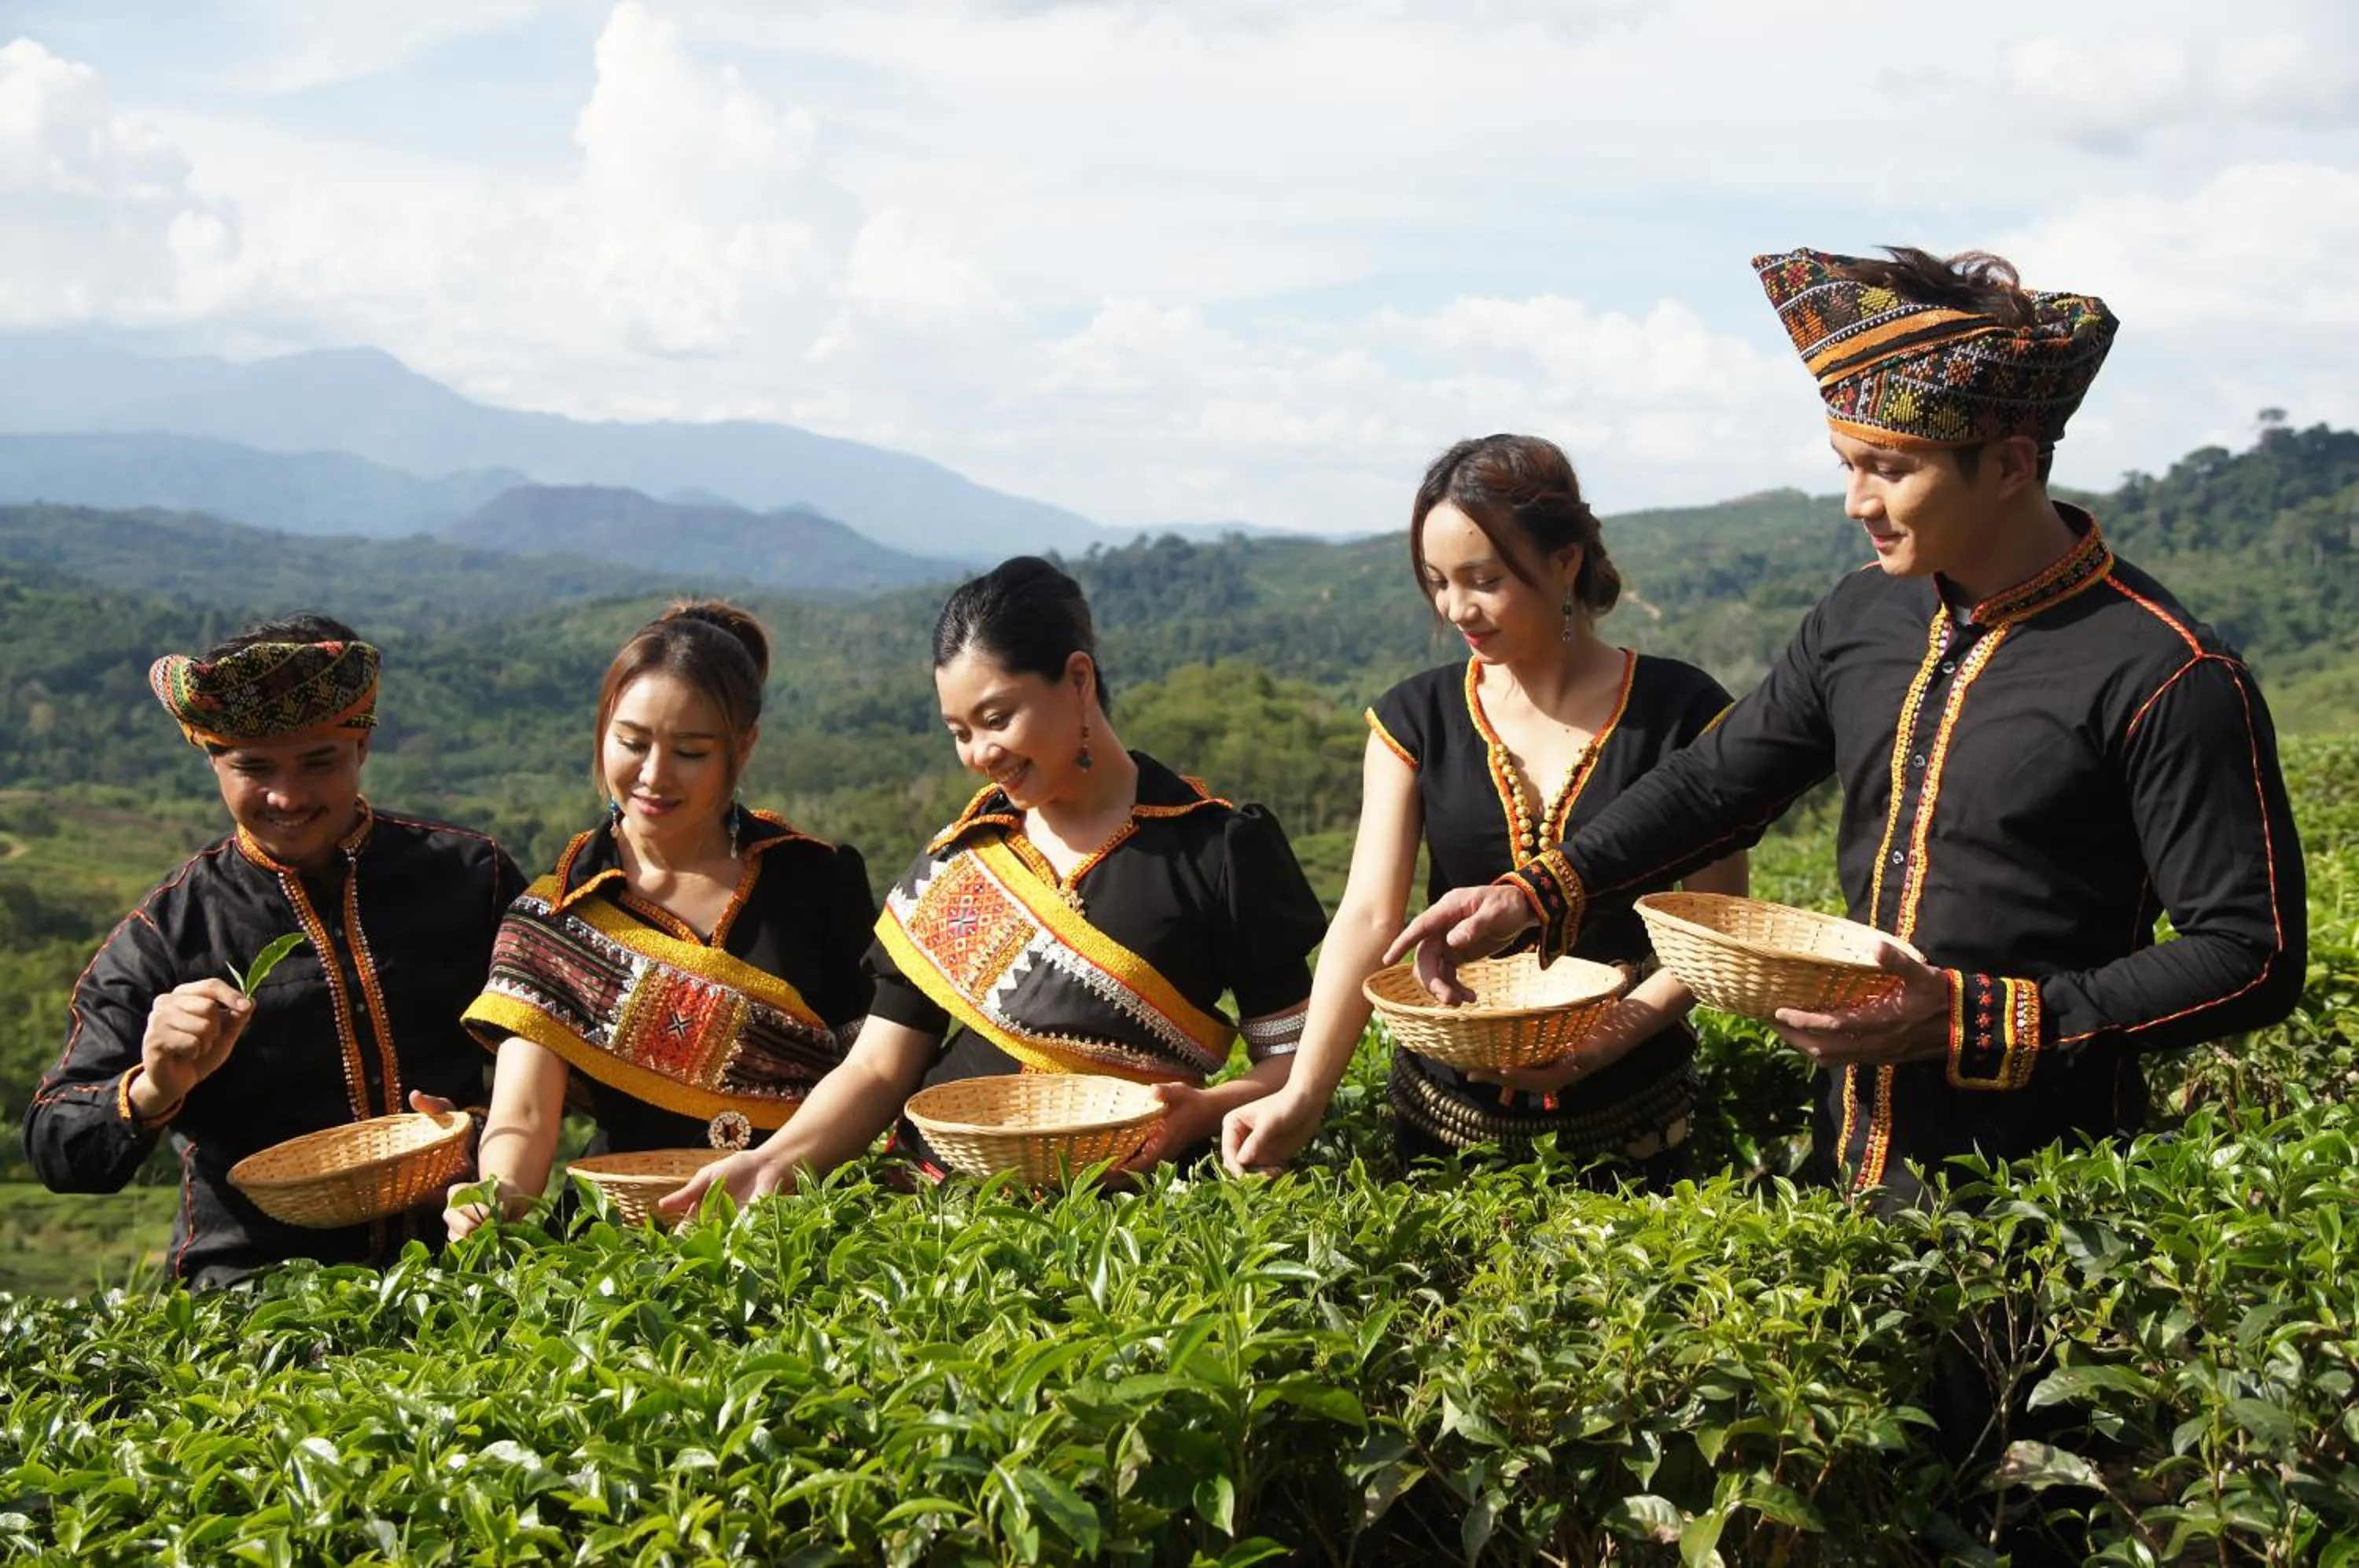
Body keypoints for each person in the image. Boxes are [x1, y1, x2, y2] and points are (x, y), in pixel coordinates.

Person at [1385, 247, 2307, 1209]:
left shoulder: (2168, 673)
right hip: (1849, 1167)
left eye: (1889, 470)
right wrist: (1530, 892)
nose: (1855, 501)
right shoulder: (1864, 616)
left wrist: (1967, 1018)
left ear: (2010, 465)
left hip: (2043, 1193)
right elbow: (1717, 785)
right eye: (1847, 465)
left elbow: (2251, 953)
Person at [664, 557, 1328, 1210]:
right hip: (932, 1204)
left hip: (1121, 1209)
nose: (981, 754)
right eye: (960, 732)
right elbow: (878, 1068)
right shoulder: (965, 857)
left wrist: (1208, 1110)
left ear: (1076, 680)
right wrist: (770, 1163)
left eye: (998, 718)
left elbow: (1296, 1062)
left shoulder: (1215, 849)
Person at [1221, 435, 1746, 1180]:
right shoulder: (1416, 719)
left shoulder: (1682, 713)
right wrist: (1304, 1095)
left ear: (1564, 562)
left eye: (1484, 579)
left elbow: (1715, 928)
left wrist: (1608, 1039)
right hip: (1442, 1124)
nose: (1454, 606)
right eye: (1438, 580)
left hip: (1636, 1123)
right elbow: (1370, 916)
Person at [24, 614, 524, 1288]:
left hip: (460, 1267)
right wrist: (154, 1087)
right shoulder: (169, 930)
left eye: (320, 762)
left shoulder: (473, 878)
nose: (288, 797)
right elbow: (60, 1147)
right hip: (251, 1295)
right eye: (253, 768)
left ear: (363, 746)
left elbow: (563, 1054)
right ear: (212, 761)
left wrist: (484, 1131)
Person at [446, 602, 874, 1236]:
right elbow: (528, 1114)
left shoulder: (816, 880)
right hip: (622, 1236)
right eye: (632, 742)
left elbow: (876, 1070)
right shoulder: (556, 920)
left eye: (691, 752)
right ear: (601, 733)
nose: (653, 776)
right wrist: (492, 1200)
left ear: (743, 747)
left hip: (798, 1227)